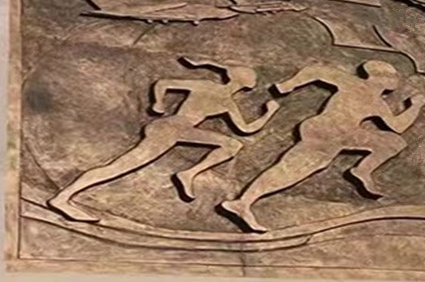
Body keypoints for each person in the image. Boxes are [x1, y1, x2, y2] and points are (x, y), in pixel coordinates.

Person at [48, 56, 279, 222]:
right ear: (242, 80)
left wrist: (269, 114)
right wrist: (157, 103)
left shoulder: (228, 103)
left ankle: (189, 173)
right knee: (119, 167)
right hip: (168, 128)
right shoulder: (207, 86)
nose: (253, 81)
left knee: (232, 144)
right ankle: (63, 198)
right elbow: (164, 83)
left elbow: (245, 128)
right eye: (252, 78)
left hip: (182, 130)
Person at [221, 60, 425, 232]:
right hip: (325, 130)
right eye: (392, 77)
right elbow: (317, 71)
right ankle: (244, 202)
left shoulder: (378, 103)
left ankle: (362, 170)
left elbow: (398, 126)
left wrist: (415, 106)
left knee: (394, 142)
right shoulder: (352, 83)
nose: (395, 81)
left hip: (343, 136)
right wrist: (290, 84)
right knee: (291, 169)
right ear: (378, 77)